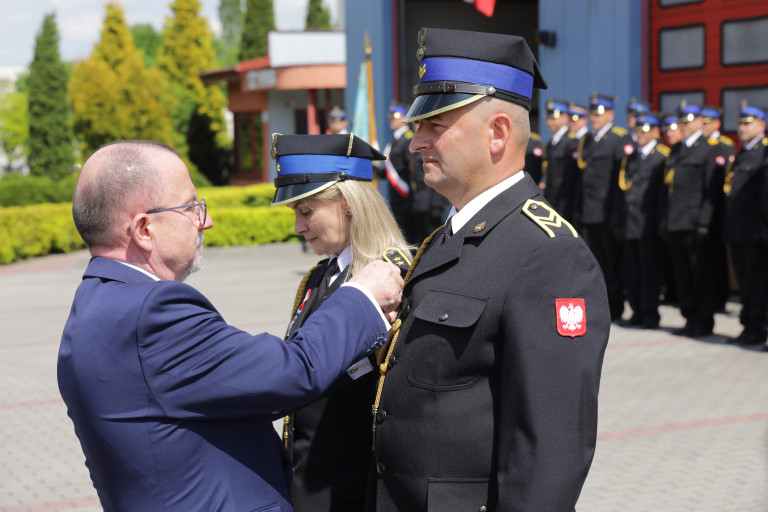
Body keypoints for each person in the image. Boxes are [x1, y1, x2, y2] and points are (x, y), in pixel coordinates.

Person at [57, 140, 404, 511]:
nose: (206, 220)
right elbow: (291, 372)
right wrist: (364, 296)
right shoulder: (151, 314)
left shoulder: (93, 304)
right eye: (191, 207)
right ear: (143, 229)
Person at [368, 27, 610, 512]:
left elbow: (548, 455)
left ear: (498, 132)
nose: (415, 143)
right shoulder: (446, 238)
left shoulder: (548, 255)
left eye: (434, 125)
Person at [270, 133, 412, 512]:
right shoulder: (320, 277)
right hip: (311, 483)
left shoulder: (393, 278)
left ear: (347, 204)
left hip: (355, 490)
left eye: (306, 211)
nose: (299, 227)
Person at [661, 101, 723, 336]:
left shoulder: (709, 148)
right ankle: (689, 318)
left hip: (696, 223)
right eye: (682, 122)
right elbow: (669, 190)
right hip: (676, 222)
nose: (684, 126)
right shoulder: (676, 150)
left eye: (689, 122)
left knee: (701, 276)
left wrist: (705, 223)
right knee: (683, 276)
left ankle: (704, 320)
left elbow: (711, 192)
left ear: (700, 121)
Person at [577, 92, 635, 321]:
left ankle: (615, 307)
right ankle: (599, 305)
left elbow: (621, 182)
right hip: (590, 212)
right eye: (592, 114)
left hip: (607, 214)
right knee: (594, 264)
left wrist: (617, 215)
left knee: (612, 265)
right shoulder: (589, 141)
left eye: (599, 114)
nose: (594, 119)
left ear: (610, 115)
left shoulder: (619, 139)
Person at [618, 112, 669, 329]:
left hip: (648, 225)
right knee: (632, 273)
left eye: (644, 131)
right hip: (631, 223)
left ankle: (650, 314)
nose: (639, 135)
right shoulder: (632, 157)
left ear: (656, 132)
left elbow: (660, 196)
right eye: (637, 131)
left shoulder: (661, 157)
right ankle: (637, 311)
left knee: (649, 274)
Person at [723, 103, 768, 346]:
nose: (741, 128)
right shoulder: (742, 152)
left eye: (747, 123)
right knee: (745, 282)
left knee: (756, 283)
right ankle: (748, 324)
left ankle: (756, 327)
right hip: (738, 230)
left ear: (762, 125)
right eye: (740, 123)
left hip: (754, 232)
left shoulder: (763, 152)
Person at [542, 98, 579, 221]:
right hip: (552, 200)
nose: (549, 122)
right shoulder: (550, 144)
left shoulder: (573, 142)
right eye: (548, 118)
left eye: (554, 118)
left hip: (566, 203)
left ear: (565, 118)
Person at [382, 103, 414, 229]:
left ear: (404, 118)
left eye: (395, 116)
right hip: (396, 194)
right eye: (390, 116)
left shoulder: (408, 138)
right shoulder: (394, 139)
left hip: (406, 194)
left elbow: (412, 168)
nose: (391, 119)